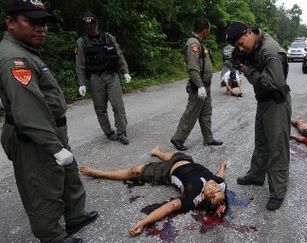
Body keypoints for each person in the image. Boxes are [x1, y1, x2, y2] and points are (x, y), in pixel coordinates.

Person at [0, 1, 98, 242]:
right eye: (32, 22)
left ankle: (75, 216)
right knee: (42, 188)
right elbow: (28, 112)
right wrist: (54, 147)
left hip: (50, 129)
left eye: (43, 23)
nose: (40, 28)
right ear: (10, 22)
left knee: (67, 175)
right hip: (34, 136)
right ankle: (52, 236)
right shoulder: (15, 59)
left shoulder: (26, 50)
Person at [79, 146, 228, 236]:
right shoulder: (220, 184)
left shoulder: (193, 199)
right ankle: (157, 151)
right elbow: (219, 177)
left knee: (135, 170)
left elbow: (169, 207)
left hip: (167, 170)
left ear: (204, 196)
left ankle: (98, 173)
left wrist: (144, 222)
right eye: (218, 189)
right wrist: (222, 166)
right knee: (173, 155)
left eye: (212, 192)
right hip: (187, 161)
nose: (215, 186)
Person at [226, 21, 291, 211]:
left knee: (278, 147)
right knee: (261, 141)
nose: (240, 48)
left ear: (248, 33)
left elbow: (275, 82)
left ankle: (278, 192)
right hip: (263, 101)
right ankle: (256, 175)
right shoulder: (253, 45)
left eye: (240, 43)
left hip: (276, 102)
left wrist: (247, 71)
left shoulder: (269, 49)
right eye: (236, 46)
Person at [75, 12, 131, 145]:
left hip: (111, 75)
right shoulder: (81, 42)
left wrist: (125, 71)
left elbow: (119, 55)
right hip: (95, 78)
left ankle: (122, 132)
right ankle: (108, 132)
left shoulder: (108, 37)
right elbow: (80, 64)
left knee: (118, 105)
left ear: (97, 24)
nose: (91, 28)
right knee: (100, 108)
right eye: (88, 26)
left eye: (92, 25)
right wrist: (81, 83)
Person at [170, 16, 223, 151]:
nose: (209, 32)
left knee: (206, 113)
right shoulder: (193, 44)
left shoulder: (199, 43)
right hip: (198, 86)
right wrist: (200, 86)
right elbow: (193, 68)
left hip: (205, 86)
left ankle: (208, 138)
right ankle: (178, 139)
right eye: (209, 30)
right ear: (204, 29)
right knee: (191, 113)